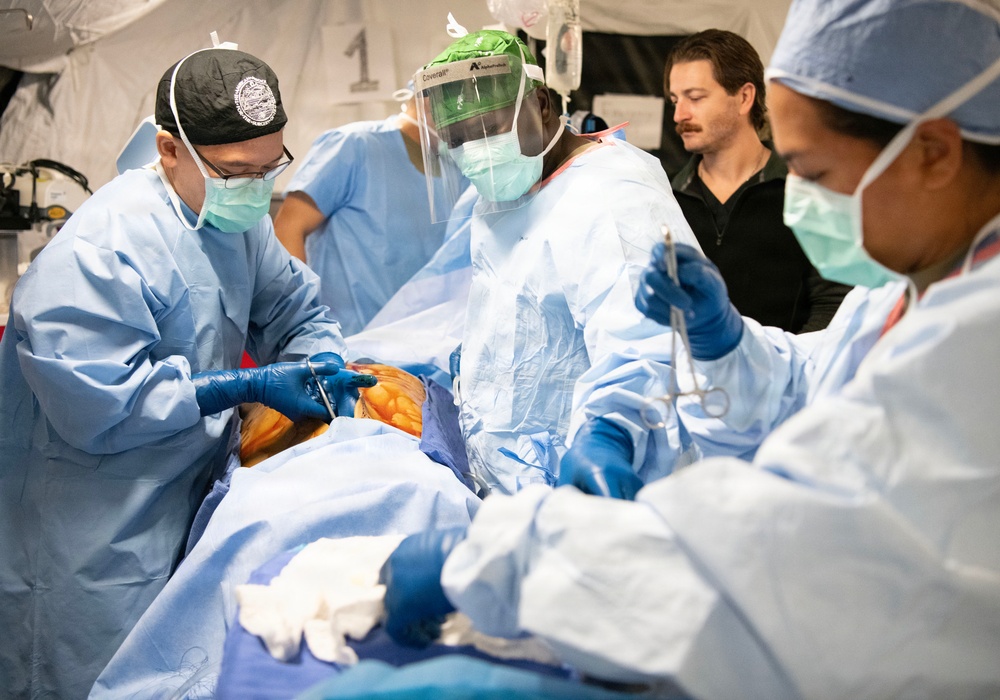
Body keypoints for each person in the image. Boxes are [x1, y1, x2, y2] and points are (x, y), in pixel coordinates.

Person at [379, 0, 1000, 696]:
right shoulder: (910, 289)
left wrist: (505, 560)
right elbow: (818, 386)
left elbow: (789, 558)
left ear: (936, 152)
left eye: (815, 174)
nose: (795, 199)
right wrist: (729, 347)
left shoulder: (982, 336)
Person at [0, 46, 374, 699]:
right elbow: (104, 406)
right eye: (236, 172)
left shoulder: (236, 221)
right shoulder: (99, 251)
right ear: (170, 149)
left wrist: (320, 360)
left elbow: (295, 306)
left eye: (270, 168)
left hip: (179, 496)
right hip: (90, 528)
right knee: (86, 676)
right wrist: (247, 386)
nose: (256, 190)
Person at [411, 29, 699, 496]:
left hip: (592, 481)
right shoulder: (501, 192)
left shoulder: (612, 195)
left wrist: (608, 442)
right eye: (458, 139)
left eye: (488, 130)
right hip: (509, 480)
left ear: (543, 105)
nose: (475, 152)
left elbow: (648, 353)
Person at [667, 29, 851, 332]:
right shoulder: (669, 198)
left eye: (695, 98)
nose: (679, 114)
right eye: (675, 100)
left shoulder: (803, 190)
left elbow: (834, 303)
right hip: (696, 377)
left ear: (744, 97)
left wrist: (786, 372)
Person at [273, 92, 457, 336]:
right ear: (429, 100)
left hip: (424, 341)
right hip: (348, 341)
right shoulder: (355, 145)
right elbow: (289, 227)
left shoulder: (458, 170)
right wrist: (302, 323)